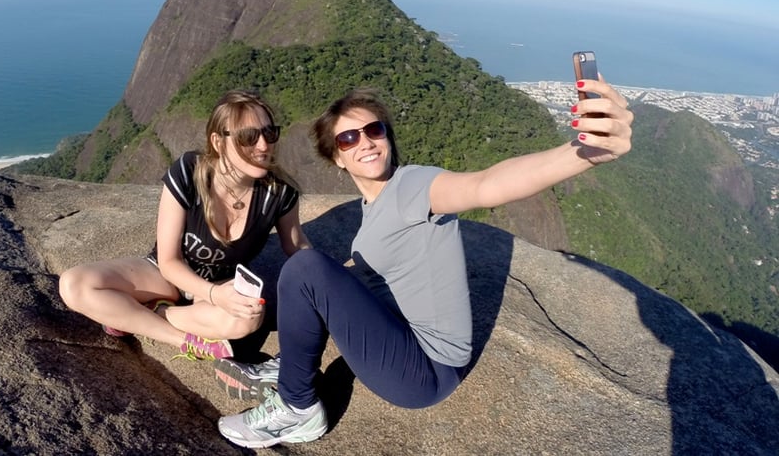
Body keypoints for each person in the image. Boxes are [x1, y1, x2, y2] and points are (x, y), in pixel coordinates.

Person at [217, 76, 634, 447]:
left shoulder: (414, 186)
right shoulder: (373, 209)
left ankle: (297, 408)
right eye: (348, 139)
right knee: (320, 274)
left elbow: (487, 185)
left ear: (387, 137)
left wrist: (581, 152)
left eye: (373, 130)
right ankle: (290, 369)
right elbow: (356, 287)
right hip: (405, 343)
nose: (364, 142)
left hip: (426, 371)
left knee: (305, 269)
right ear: (337, 159)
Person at [59, 89, 311, 361]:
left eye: (269, 133)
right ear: (218, 141)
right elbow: (168, 261)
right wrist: (213, 295)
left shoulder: (279, 194)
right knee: (74, 284)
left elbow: (297, 246)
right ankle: (184, 340)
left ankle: (150, 314)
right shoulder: (189, 172)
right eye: (249, 137)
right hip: (164, 275)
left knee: (249, 320)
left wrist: (331, 282)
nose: (263, 146)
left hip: (220, 281)